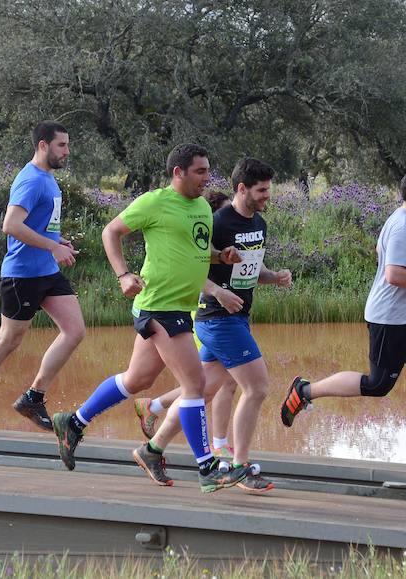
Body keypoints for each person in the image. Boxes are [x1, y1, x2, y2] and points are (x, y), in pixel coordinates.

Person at [51, 143, 248, 493]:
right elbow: (110, 232)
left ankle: (75, 422)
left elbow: (198, 251)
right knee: (195, 386)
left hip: (177, 305)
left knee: (137, 379)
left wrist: (222, 256)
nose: (207, 178)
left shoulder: (202, 207)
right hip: (160, 305)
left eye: (208, 171)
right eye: (200, 171)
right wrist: (123, 274)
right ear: (179, 172)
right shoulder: (154, 202)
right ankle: (207, 468)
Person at [280, 166, 406, 477]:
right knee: (378, 384)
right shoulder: (403, 227)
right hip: (390, 321)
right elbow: (393, 274)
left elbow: (383, 254)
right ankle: (304, 391)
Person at [134, 158, 292, 493]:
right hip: (217, 319)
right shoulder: (217, 221)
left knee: (202, 391)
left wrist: (273, 277)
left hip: (238, 317)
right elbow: (191, 268)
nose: (267, 195)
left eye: (268, 189)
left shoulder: (259, 223)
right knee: (258, 387)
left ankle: (152, 449)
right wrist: (218, 292)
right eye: (261, 190)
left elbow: (250, 271)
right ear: (242, 189)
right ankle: (241, 467)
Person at [0, 121, 84, 435]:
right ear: (43, 146)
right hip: (22, 275)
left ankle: (33, 397)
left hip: (47, 271)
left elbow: (38, 223)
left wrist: (56, 241)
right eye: (61, 145)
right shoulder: (31, 180)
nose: (67, 151)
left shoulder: (47, 178)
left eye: (68, 145)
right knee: (9, 340)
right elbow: (11, 225)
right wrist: (51, 245)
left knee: (74, 330)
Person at [133, 191, 237, 459]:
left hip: (222, 314)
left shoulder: (223, 238)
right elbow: (191, 270)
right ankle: (213, 446)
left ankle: (157, 417)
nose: (227, 219)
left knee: (217, 381)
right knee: (207, 383)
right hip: (202, 312)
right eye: (223, 214)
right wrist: (217, 292)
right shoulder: (197, 233)